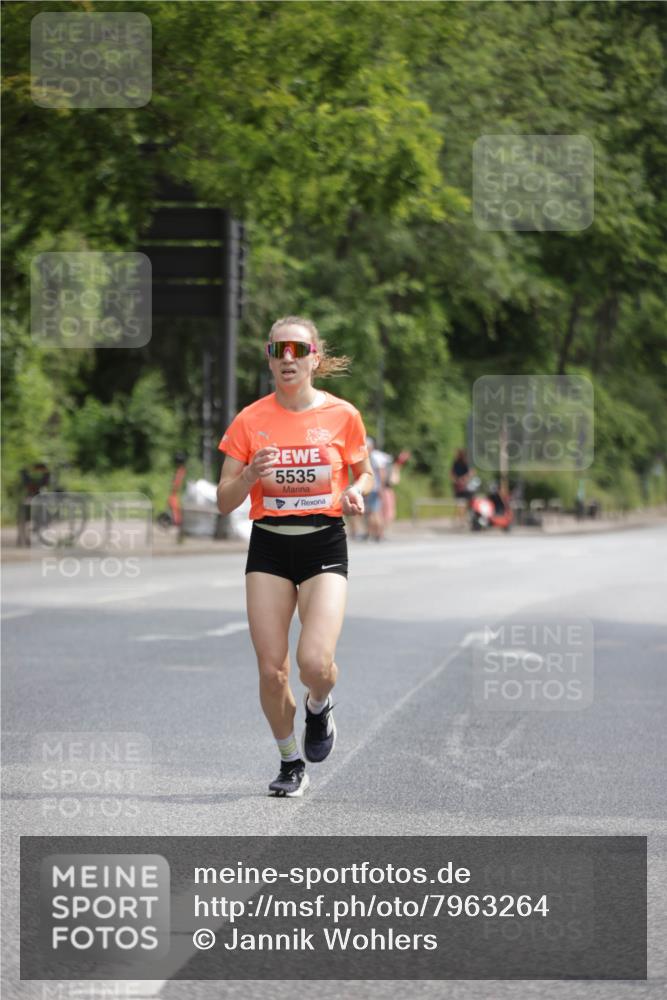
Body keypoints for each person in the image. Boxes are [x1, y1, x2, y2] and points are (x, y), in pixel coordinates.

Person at [216, 316, 373, 797]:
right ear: (269, 356)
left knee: (314, 663)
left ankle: (319, 705)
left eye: (298, 350)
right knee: (272, 669)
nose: (288, 358)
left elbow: (362, 473)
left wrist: (354, 492)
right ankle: (290, 762)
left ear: (314, 358)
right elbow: (224, 499)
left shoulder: (342, 415)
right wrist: (248, 478)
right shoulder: (250, 420)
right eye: (278, 349)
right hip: (269, 543)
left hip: (324, 540)